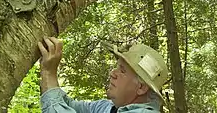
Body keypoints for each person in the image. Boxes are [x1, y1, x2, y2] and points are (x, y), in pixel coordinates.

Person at [38, 37, 168, 113]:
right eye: (116, 67)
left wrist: (49, 73)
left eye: (122, 71)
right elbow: (68, 104)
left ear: (141, 87)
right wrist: (48, 68)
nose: (113, 73)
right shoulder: (107, 107)